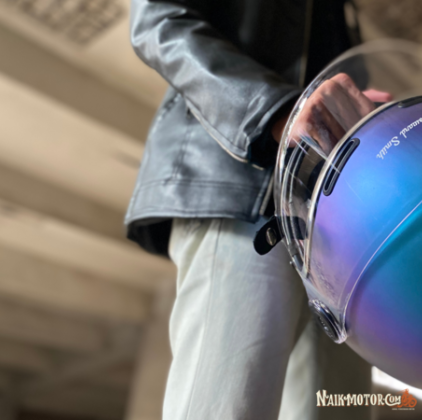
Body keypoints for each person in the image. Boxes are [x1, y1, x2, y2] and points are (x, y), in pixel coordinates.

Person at [125, 1, 384, 419]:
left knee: (339, 409)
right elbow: (157, 20)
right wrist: (275, 110)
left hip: (334, 221)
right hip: (244, 192)